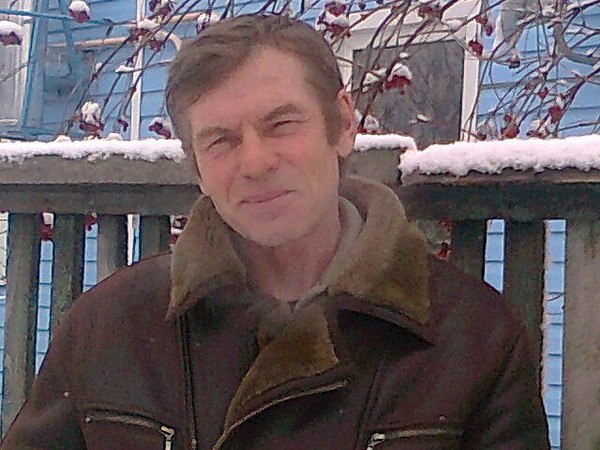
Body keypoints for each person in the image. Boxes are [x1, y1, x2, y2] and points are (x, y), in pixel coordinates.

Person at [1, 14, 549, 450]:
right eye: (221, 140)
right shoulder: (108, 329)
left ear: (343, 124)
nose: (256, 162)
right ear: (197, 167)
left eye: (281, 124)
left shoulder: (470, 337)